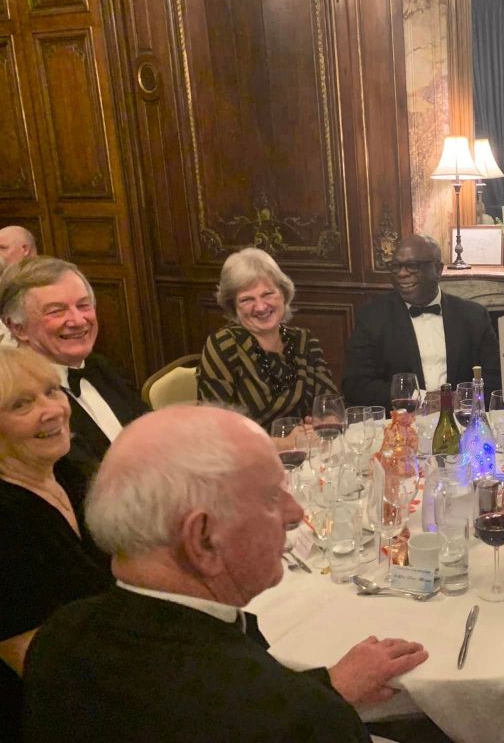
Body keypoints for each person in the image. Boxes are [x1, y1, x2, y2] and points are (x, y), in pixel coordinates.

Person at [21, 405, 429, 743]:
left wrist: (326, 687)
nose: (295, 513)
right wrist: (322, 703)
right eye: (271, 497)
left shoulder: (58, 638)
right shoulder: (300, 719)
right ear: (203, 540)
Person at [0, 348, 112, 739]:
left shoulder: (70, 473)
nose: (52, 410)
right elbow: (33, 663)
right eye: (21, 404)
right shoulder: (7, 517)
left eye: (52, 391)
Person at [0, 256, 148, 500]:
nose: (78, 321)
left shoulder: (100, 367)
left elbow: (149, 429)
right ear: (18, 328)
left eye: (83, 305)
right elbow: (78, 488)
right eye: (56, 311)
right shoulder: (17, 403)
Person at [342, 234, 500, 408]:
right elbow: (355, 384)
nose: (402, 273)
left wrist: (459, 399)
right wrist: (420, 398)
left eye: (412, 266)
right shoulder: (372, 317)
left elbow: (495, 378)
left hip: (461, 418)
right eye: (396, 266)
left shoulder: (474, 316)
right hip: (400, 420)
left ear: (438, 269)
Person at [197, 247, 336, 430]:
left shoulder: (304, 341)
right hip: (249, 449)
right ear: (233, 306)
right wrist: (281, 442)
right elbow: (214, 428)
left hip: (309, 445)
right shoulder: (223, 346)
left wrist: (326, 421)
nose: (261, 307)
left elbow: (330, 404)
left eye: (268, 294)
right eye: (247, 299)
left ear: (283, 294)